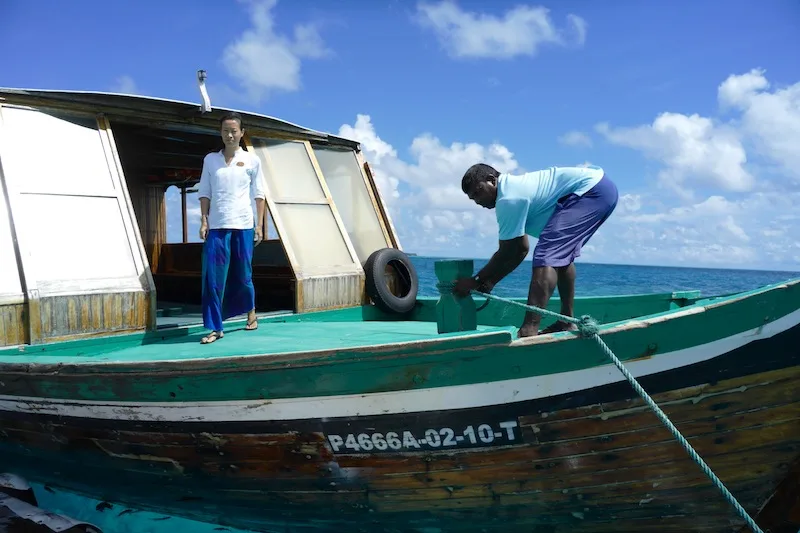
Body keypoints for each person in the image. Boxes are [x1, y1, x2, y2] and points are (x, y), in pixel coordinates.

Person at [454, 163, 618, 338]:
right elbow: (520, 249)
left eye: (478, 192)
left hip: (591, 191)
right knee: (560, 256)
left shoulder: (508, 199)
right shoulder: (511, 193)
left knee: (547, 254)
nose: (478, 201)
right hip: (601, 189)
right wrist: (491, 281)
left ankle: (529, 329)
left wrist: (476, 280)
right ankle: (566, 321)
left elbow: (507, 251)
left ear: (492, 181)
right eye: (473, 198)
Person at [197, 112, 267, 344]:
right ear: (220, 133)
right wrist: (204, 221)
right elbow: (205, 192)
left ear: (241, 133)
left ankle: (251, 314)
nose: (230, 135)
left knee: (244, 275)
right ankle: (216, 328)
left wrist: (259, 226)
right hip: (217, 226)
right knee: (214, 280)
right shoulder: (210, 160)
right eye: (225, 130)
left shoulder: (251, 160)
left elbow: (259, 194)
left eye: (234, 131)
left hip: (244, 225)